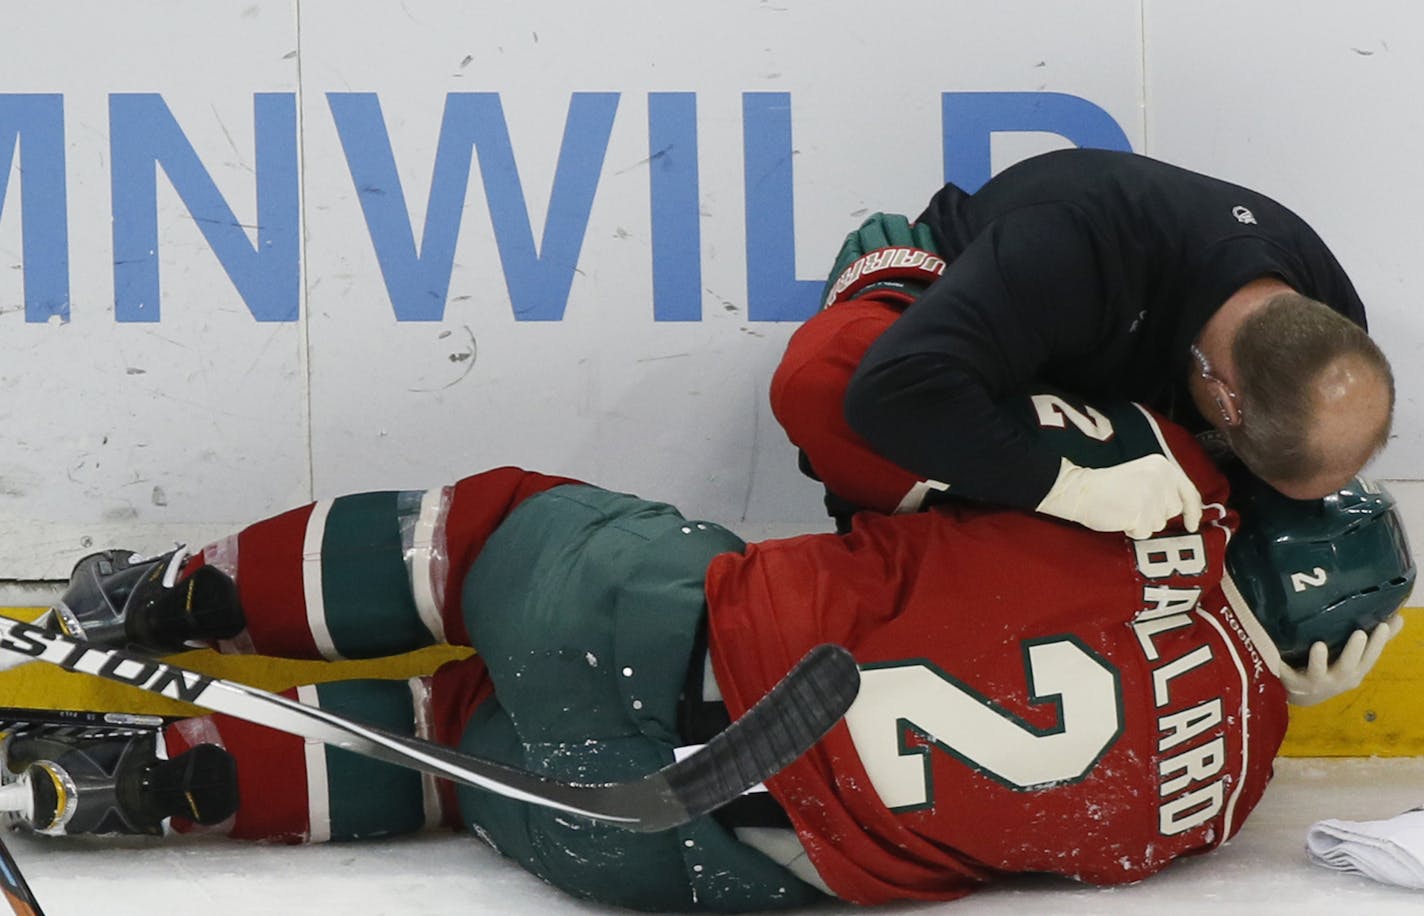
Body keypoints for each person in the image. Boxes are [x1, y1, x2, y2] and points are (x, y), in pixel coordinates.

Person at [0, 392, 1412, 910]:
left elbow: (857, 393)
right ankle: (171, 784)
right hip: (669, 851)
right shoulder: (1221, 801)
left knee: (487, 538)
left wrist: (900, 259)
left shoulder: (1155, 494)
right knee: (456, 752)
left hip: (657, 633)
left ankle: (169, 600)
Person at [773, 148, 1395, 542]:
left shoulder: (1330, 308)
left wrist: (1274, 630)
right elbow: (890, 393)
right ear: (1225, 404)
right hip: (951, 317)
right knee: (835, 380)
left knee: (1188, 511)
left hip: (1101, 361)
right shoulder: (1072, 251)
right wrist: (1069, 489)